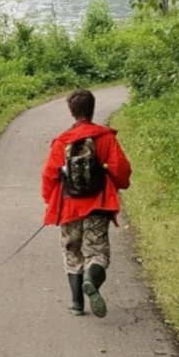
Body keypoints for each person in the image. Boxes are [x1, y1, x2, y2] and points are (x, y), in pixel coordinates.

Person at [41, 89, 132, 317]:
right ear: (92, 109)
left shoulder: (62, 142)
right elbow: (122, 171)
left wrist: (50, 200)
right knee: (98, 252)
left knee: (72, 252)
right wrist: (117, 182)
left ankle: (77, 304)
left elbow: (49, 175)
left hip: (69, 206)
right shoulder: (106, 138)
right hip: (98, 204)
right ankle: (92, 280)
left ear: (72, 112)